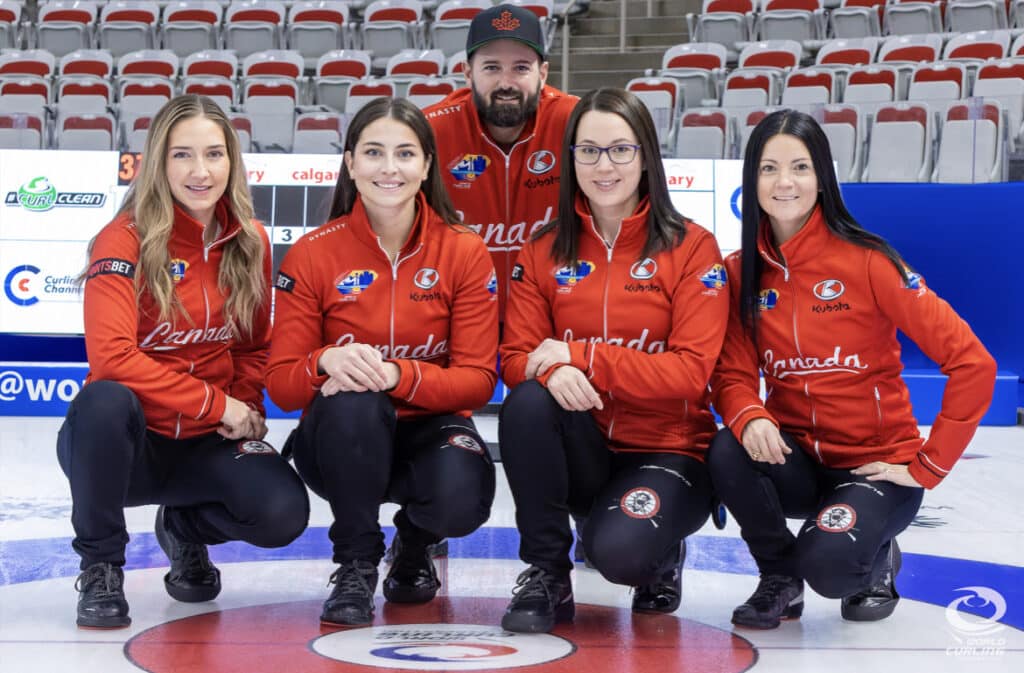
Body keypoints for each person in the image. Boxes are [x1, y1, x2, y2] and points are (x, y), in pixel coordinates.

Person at [709, 109, 997, 629]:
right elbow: (731, 375)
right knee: (728, 445)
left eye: (799, 167)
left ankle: (877, 550)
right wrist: (751, 414)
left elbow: (973, 363)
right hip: (796, 461)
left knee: (831, 568)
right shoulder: (738, 272)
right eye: (769, 168)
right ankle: (777, 579)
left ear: (822, 177)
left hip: (876, 468)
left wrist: (927, 466)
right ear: (751, 179)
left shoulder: (869, 261)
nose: (784, 182)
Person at [58, 94, 310, 629]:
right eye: (182, 155)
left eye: (214, 154)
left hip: (205, 442)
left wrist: (246, 404)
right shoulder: (122, 239)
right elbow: (111, 359)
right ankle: (101, 565)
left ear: (232, 162)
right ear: (158, 162)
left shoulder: (250, 240)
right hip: (129, 449)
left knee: (283, 513)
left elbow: (250, 346)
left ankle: (185, 529)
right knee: (103, 400)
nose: (201, 171)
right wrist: (217, 402)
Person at [497, 88, 730, 633]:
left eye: (620, 150)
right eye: (589, 151)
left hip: (668, 450)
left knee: (619, 557)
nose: (605, 165)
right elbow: (514, 358)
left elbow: (690, 374)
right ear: (570, 159)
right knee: (529, 401)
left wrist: (581, 356)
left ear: (646, 155)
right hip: (586, 450)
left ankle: (661, 548)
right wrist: (552, 369)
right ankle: (546, 571)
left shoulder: (693, 247)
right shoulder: (543, 249)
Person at [265, 97, 499, 627]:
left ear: (427, 165)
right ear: (350, 164)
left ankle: (415, 542)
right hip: (341, 440)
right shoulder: (311, 252)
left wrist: (399, 373)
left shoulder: (463, 251)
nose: (389, 168)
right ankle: (355, 562)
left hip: (431, 432)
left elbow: (479, 380)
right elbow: (281, 384)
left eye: (404, 153)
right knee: (355, 400)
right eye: (373, 152)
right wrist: (326, 361)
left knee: (462, 499)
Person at [425, 3, 578, 319]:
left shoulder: (577, 122)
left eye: (521, 68)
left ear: (543, 73)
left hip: (554, 320)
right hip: (458, 320)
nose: (506, 83)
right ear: (468, 73)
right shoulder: (429, 130)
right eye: (492, 67)